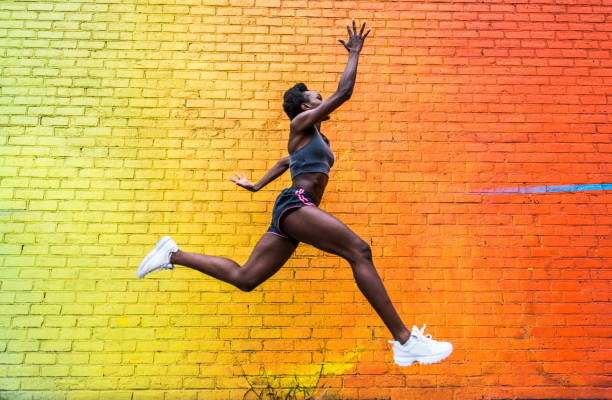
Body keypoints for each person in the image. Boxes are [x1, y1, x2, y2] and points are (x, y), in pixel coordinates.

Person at [137, 20, 452, 366]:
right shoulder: (300, 124)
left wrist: (256, 185)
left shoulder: (315, 138)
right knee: (359, 251)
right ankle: (405, 341)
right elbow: (344, 93)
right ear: (305, 108)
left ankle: (172, 254)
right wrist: (355, 53)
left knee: (246, 278)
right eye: (316, 98)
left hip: (290, 210)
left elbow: (286, 160)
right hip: (296, 204)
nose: (321, 101)